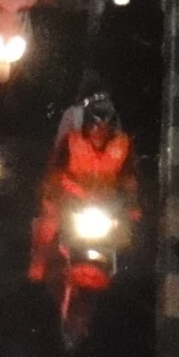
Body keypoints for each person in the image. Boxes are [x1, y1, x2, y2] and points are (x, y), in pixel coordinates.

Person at [30, 92, 139, 282]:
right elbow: (55, 172)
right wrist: (50, 197)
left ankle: (126, 278)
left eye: (105, 129)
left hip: (107, 203)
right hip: (73, 198)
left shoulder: (123, 144)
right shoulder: (71, 141)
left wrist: (133, 205)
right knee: (47, 225)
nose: (99, 133)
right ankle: (38, 263)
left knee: (128, 237)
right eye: (95, 127)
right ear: (87, 126)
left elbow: (129, 178)